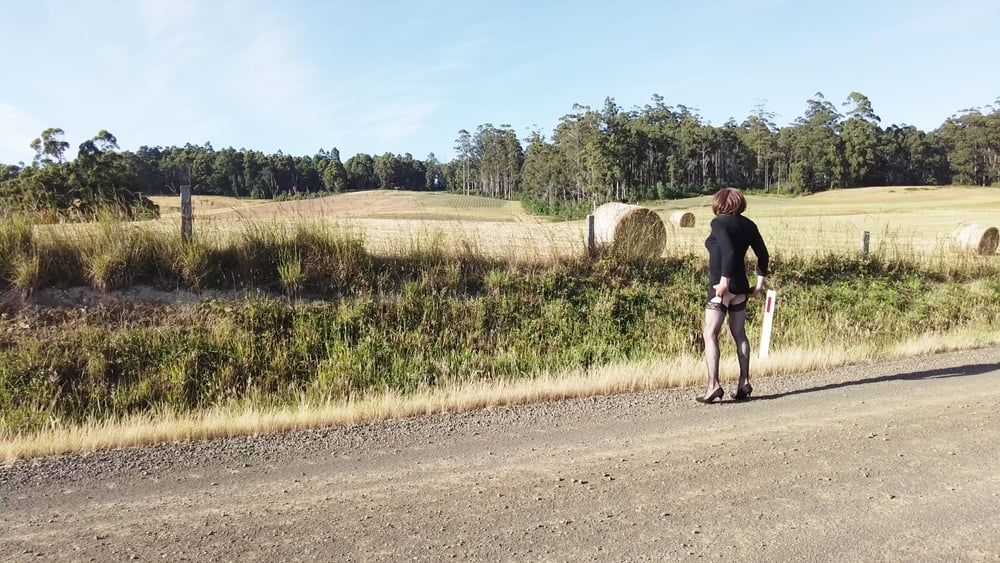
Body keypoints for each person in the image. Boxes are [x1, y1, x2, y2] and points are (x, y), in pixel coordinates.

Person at [697, 188, 769, 404]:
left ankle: (713, 386)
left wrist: (724, 281)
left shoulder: (719, 223)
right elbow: (763, 254)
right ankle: (744, 382)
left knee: (710, 334)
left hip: (722, 285)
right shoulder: (748, 225)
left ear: (719, 203)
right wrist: (759, 283)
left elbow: (727, 252)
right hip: (741, 287)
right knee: (739, 334)